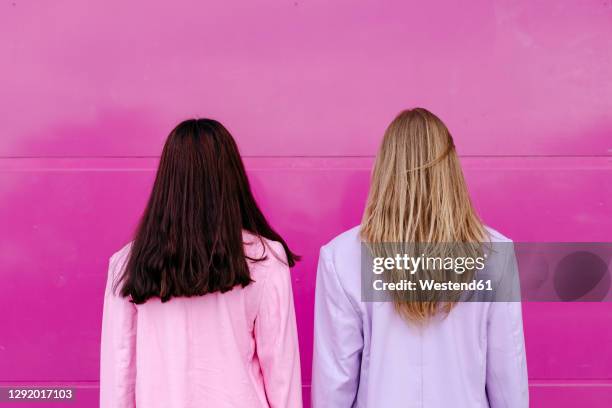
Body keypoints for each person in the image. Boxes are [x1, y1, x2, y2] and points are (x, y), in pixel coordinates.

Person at [312, 108, 528, 407]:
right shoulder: (493, 253)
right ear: (450, 167)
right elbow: (507, 377)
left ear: (386, 168)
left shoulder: (342, 256)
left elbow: (334, 385)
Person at [100, 119, 302, 408]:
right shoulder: (266, 257)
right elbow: (281, 371)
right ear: (231, 175)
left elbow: (120, 372)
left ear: (168, 178)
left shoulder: (127, 263)